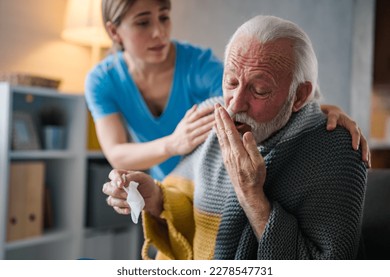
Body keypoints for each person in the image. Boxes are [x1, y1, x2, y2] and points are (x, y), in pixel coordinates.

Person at [103, 15, 368, 260]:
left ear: (298, 96)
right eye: (231, 82)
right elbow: (188, 198)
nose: (236, 104)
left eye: (260, 90)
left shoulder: (339, 150)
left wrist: (252, 196)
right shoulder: (214, 115)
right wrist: (156, 198)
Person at [85, 0, 370, 182]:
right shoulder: (101, 81)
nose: (159, 32)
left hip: (212, 182)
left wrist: (322, 109)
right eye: (143, 22)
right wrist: (174, 143)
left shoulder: (197, 64)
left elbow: (253, 100)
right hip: (163, 186)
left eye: (164, 17)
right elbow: (117, 153)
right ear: (114, 32)